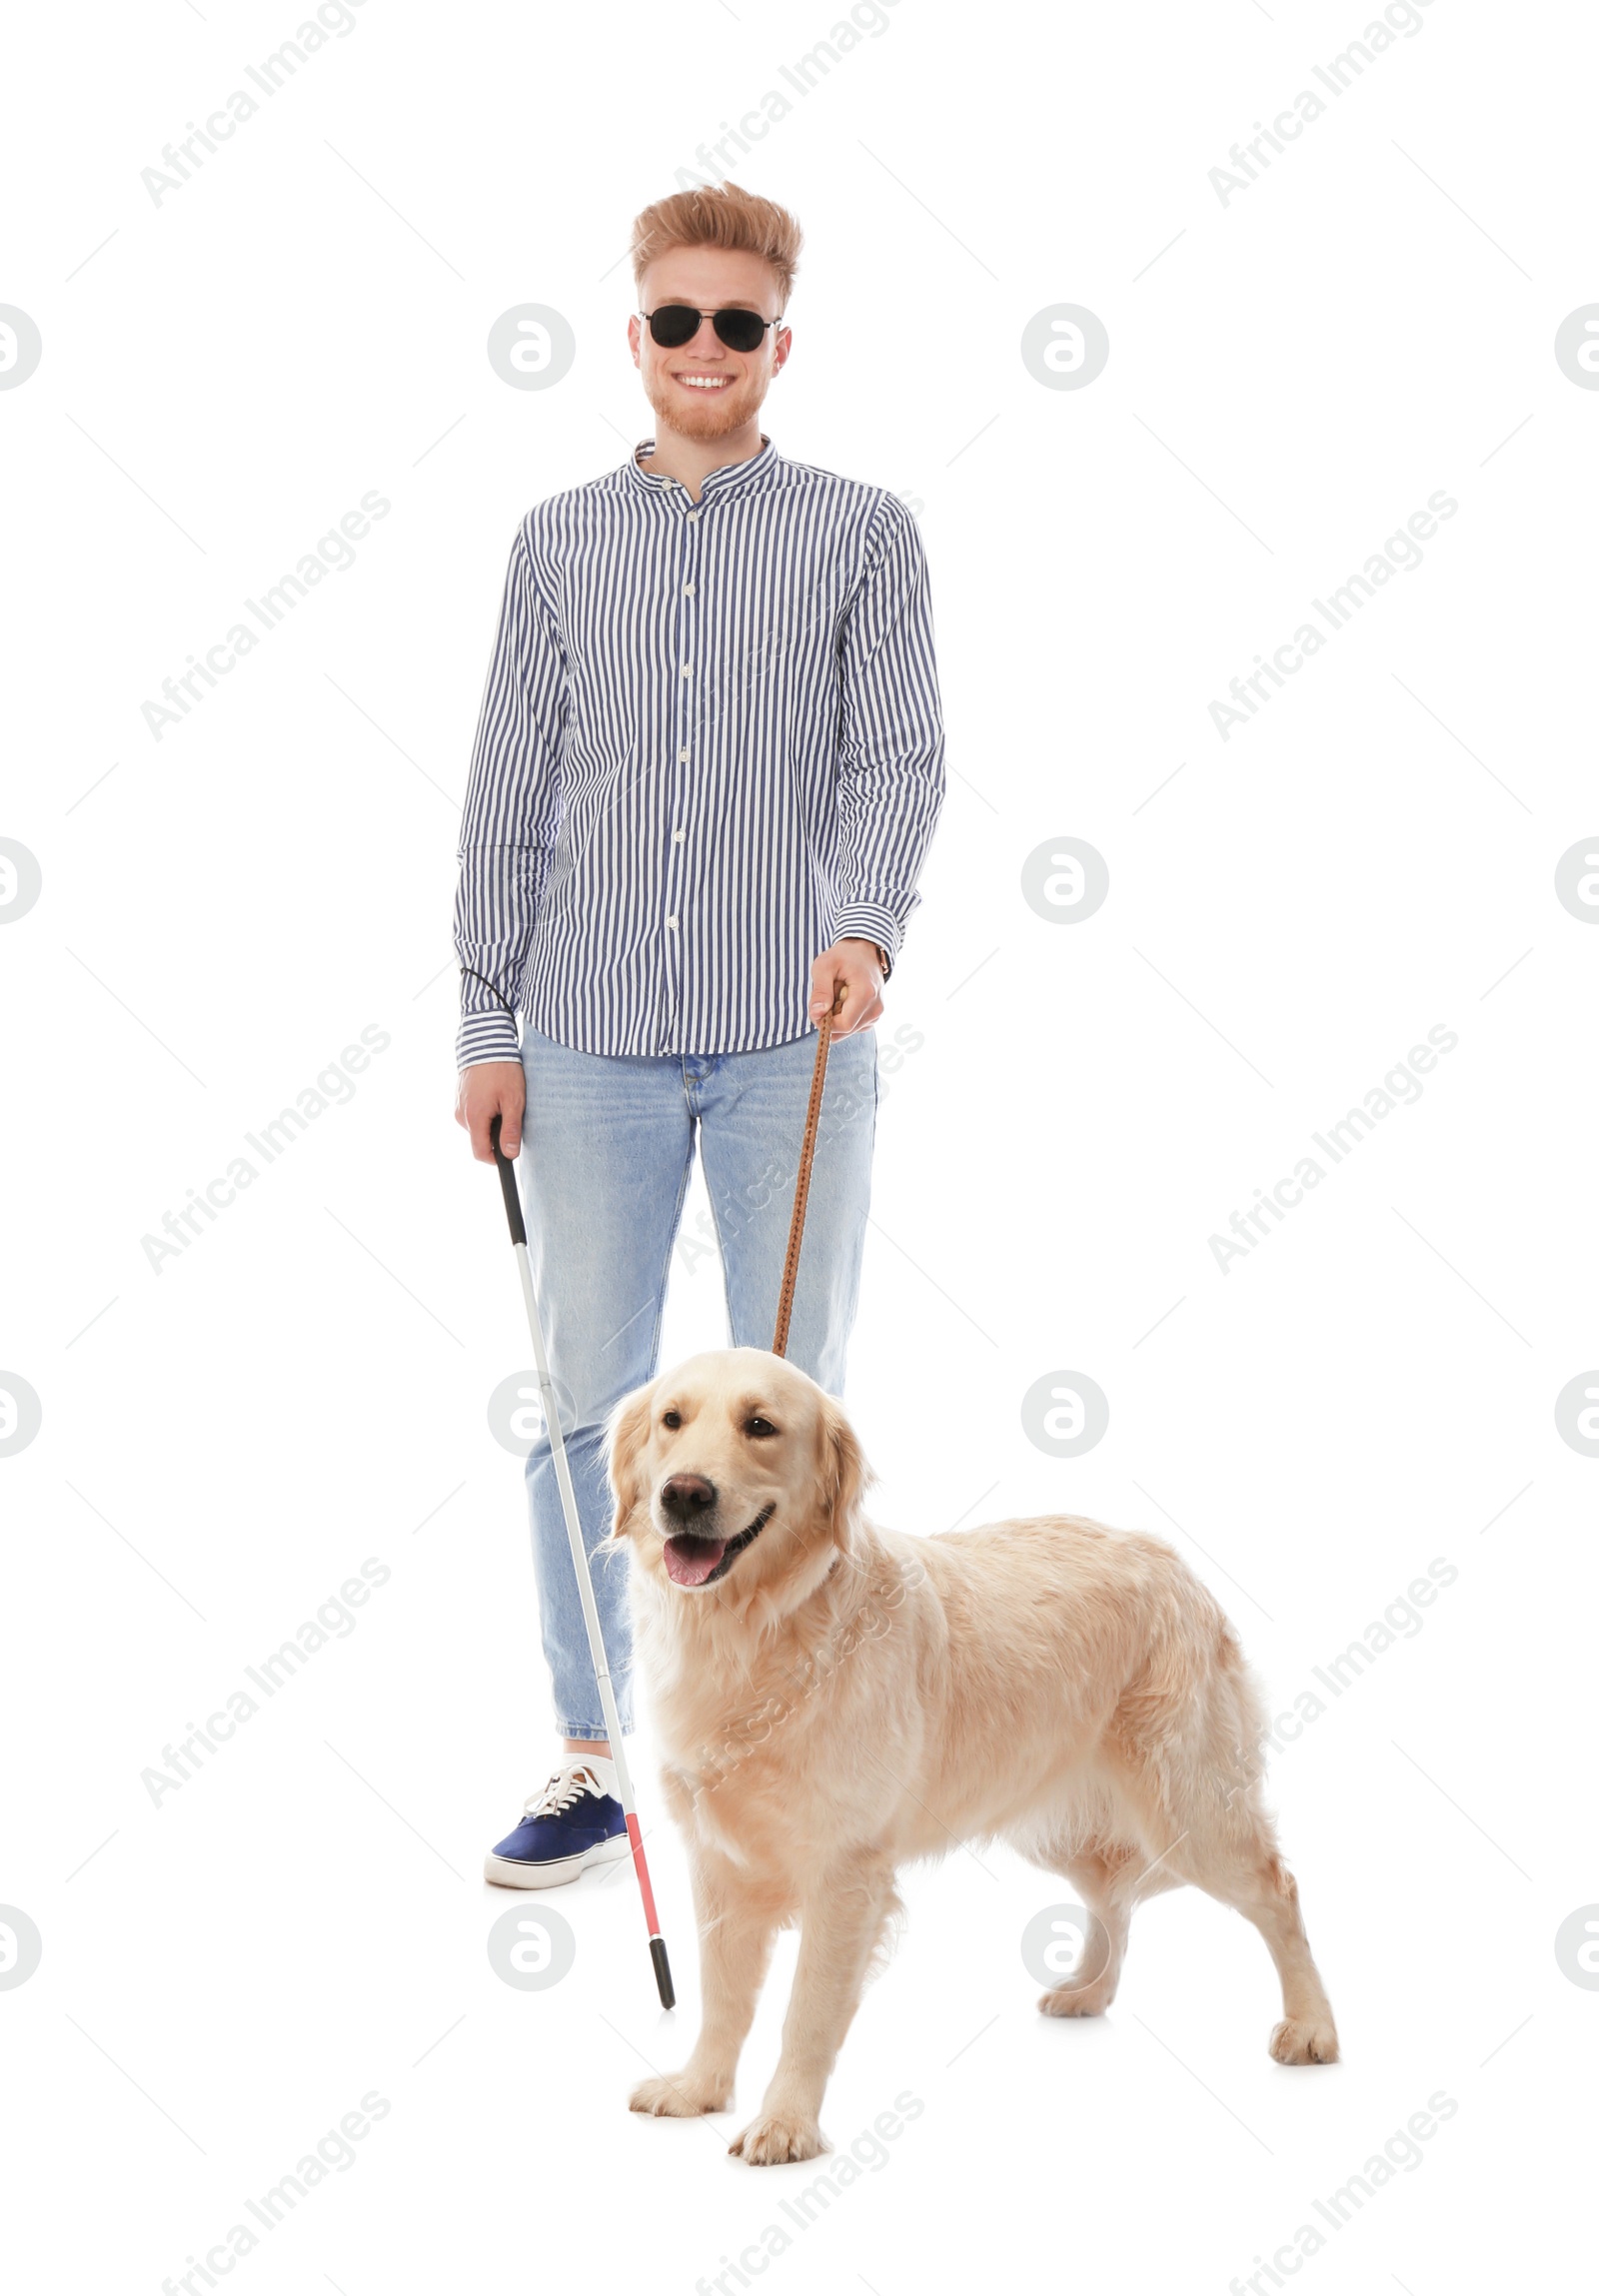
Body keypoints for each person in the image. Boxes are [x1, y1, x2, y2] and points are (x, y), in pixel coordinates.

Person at [452, 180, 945, 1887]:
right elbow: (508, 799)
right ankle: (597, 1755)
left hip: (788, 1043)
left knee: (786, 1409)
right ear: (638, 332)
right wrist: (485, 1023)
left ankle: (790, 1738)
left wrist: (864, 922)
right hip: (580, 1039)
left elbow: (898, 758)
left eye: (741, 322)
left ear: (781, 341)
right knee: (596, 1407)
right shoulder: (555, 544)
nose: (708, 347)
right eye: (679, 318)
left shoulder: (863, 531)